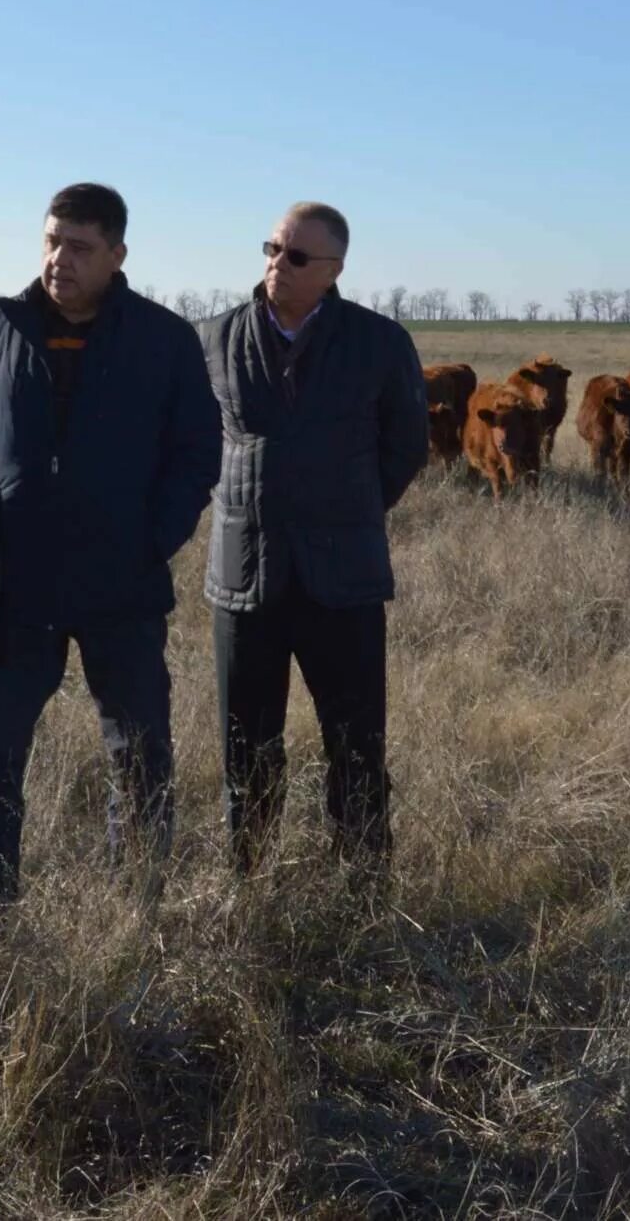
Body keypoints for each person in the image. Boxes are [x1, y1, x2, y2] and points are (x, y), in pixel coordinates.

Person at [0, 183, 221, 905]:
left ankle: (134, 900)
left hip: (121, 584)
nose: (58, 259)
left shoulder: (162, 340)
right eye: (50, 241)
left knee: (137, 752)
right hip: (16, 585)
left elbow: (196, 452)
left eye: (79, 247)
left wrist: (151, 540)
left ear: (117, 254)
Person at [197, 202, 425, 871]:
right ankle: (251, 879)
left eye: (295, 257)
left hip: (343, 578)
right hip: (244, 576)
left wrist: (345, 507)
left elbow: (405, 446)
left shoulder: (380, 343)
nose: (276, 264)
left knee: (356, 743)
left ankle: (362, 883)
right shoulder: (212, 338)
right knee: (247, 745)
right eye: (270, 248)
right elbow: (185, 443)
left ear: (334, 270)